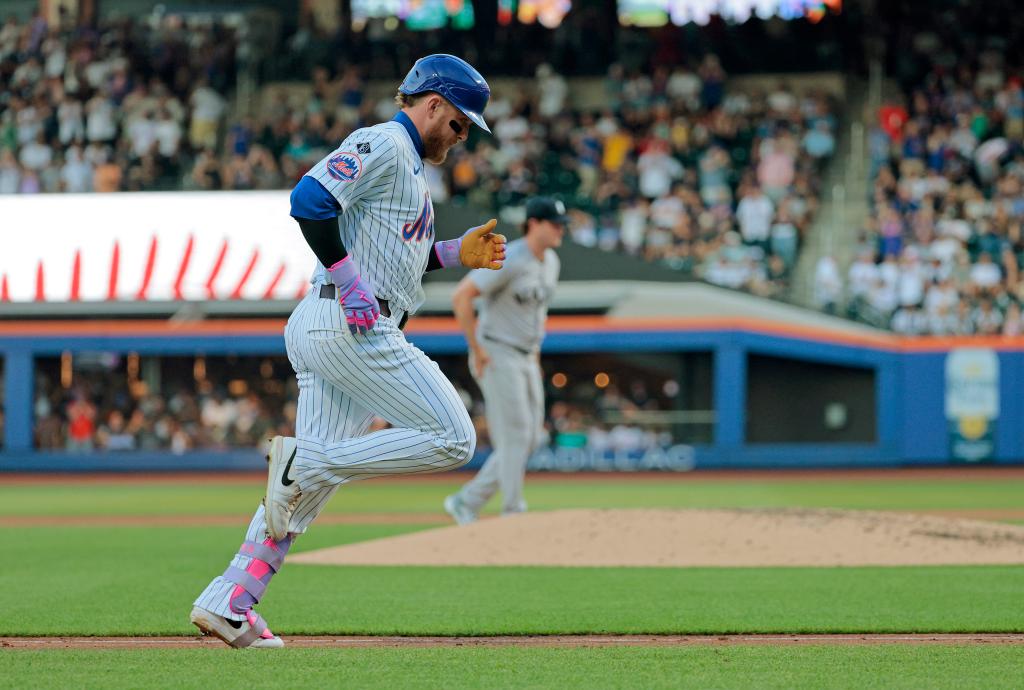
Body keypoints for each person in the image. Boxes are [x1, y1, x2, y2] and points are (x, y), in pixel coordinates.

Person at [190, 54, 506, 649]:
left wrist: (450, 252)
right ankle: (302, 464)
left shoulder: (411, 169)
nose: (461, 137)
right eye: (459, 123)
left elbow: (393, 254)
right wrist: (347, 275)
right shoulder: (385, 143)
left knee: (299, 496)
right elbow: (310, 199)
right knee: (454, 438)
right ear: (432, 103)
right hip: (350, 322)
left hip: (342, 321)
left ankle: (230, 599)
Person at [443, 196, 565, 525]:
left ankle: (466, 500)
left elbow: (535, 316)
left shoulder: (551, 262)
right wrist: (476, 349)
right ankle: (513, 510)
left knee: (533, 437)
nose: (560, 230)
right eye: (554, 223)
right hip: (496, 351)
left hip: (526, 356)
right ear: (533, 223)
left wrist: (535, 356)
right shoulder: (511, 257)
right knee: (515, 436)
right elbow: (462, 296)